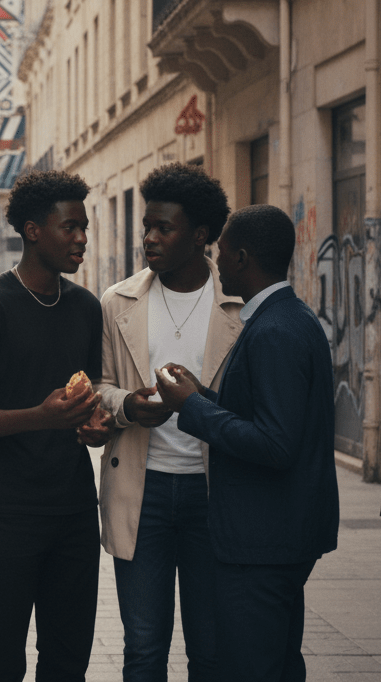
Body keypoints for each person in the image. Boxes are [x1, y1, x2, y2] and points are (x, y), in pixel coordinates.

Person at [153, 204, 339, 682]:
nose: (214, 264)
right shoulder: (285, 318)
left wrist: (190, 409)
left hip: (262, 540)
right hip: (275, 536)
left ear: (240, 257)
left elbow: (277, 443)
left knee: (251, 666)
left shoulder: (275, 329)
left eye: (218, 253)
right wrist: (203, 395)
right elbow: (269, 414)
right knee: (274, 662)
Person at [0, 170, 112, 682]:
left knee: (67, 658)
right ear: (33, 230)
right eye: (70, 227)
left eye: (85, 227)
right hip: (5, 512)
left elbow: (89, 397)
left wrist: (94, 425)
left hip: (75, 509)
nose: (81, 237)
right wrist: (38, 417)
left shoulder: (85, 307)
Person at [93, 164, 242, 681]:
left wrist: (203, 402)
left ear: (200, 236)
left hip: (214, 493)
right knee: (143, 649)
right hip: (143, 489)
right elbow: (99, 384)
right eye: (146, 228)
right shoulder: (119, 301)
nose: (150, 239)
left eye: (164, 228)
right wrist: (129, 406)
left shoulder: (239, 305)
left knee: (211, 648)